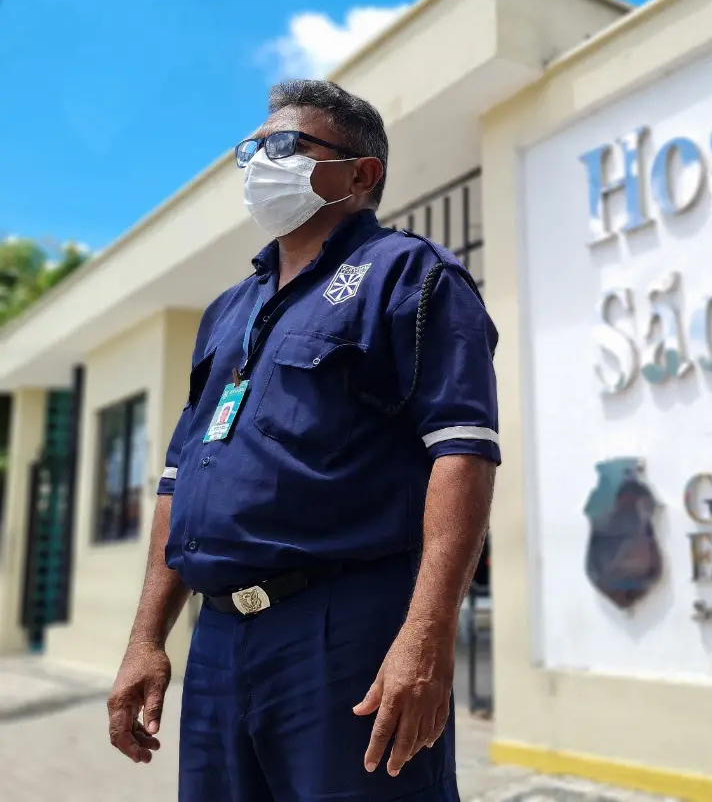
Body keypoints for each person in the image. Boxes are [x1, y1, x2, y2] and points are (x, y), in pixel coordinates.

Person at [105, 79, 499, 801]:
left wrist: (429, 634)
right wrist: (145, 638)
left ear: (361, 173)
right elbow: (177, 479)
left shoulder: (408, 277)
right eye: (251, 148)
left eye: (285, 146)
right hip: (220, 642)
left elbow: (463, 450)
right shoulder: (229, 310)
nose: (260, 162)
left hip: (343, 632)